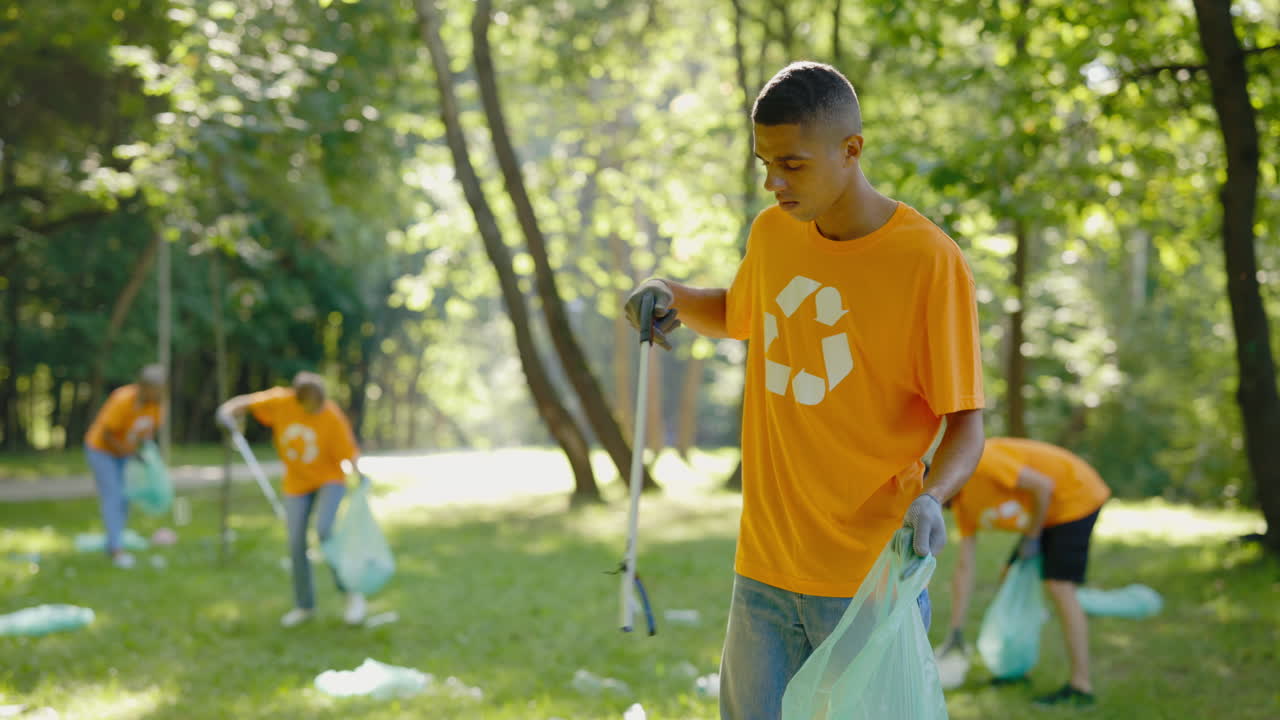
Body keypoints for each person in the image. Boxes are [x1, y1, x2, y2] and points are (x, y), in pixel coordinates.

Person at [624, 61, 986, 719]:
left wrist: (934, 496)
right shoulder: (772, 233)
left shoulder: (930, 262)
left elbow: (965, 420)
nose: (773, 182)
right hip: (763, 564)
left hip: (867, 579)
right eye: (764, 162)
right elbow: (742, 312)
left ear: (851, 151)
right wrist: (668, 293)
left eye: (792, 164)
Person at [936, 437, 1111, 708]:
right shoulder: (962, 504)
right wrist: (956, 630)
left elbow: (1043, 486)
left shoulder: (982, 461)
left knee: (1059, 586)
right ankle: (1017, 667)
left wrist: (1031, 537)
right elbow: (964, 567)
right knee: (1011, 578)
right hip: (1044, 514)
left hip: (1075, 495)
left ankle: (1081, 686)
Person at [216, 371, 365, 627]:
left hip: (329, 479)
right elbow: (242, 404)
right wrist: (226, 413)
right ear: (299, 398)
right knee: (295, 541)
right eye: (312, 404)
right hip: (296, 483)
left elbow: (349, 453)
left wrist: (360, 476)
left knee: (325, 530)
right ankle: (305, 606)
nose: (317, 408)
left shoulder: (331, 415)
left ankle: (351, 593)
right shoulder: (281, 402)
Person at [84, 364, 166, 569]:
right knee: (114, 496)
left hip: (125, 452)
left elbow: (149, 431)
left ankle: (114, 540)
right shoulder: (122, 400)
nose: (159, 393)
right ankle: (116, 550)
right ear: (143, 387)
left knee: (125, 497)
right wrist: (127, 452)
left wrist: (147, 452)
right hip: (101, 450)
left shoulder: (156, 405)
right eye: (155, 389)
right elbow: (106, 435)